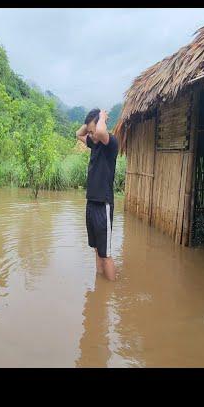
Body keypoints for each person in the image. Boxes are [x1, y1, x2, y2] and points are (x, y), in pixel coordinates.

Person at [76, 108, 119, 281]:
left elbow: (101, 132)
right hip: (91, 204)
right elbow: (78, 133)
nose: (92, 135)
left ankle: (110, 292)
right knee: (96, 249)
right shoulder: (94, 144)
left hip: (103, 205)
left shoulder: (111, 143)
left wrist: (101, 118)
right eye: (91, 132)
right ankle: (99, 284)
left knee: (105, 253)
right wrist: (88, 126)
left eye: (93, 132)